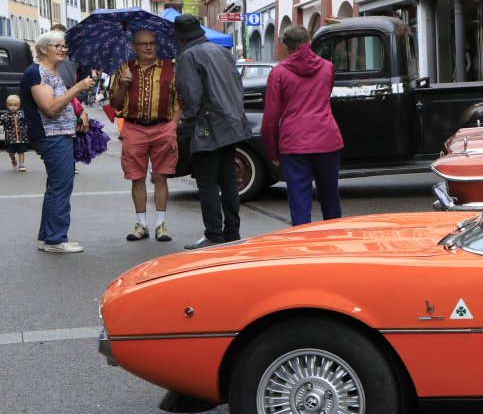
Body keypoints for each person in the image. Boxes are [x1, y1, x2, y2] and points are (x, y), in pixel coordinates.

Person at [173, 14, 250, 249]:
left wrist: (185, 129)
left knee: (207, 183)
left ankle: (214, 235)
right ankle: (232, 232)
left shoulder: (189, 56)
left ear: (181, 37)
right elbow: (238, 89)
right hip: (231, 124)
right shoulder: (223, 52)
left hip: (207, 127)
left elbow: (191, 97)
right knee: (228, 181)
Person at [20, 30, 97, 253]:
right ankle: (55, 240)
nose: (63, 50)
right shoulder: (37, 73)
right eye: (58, 46)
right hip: (52, 136)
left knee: (57, 186)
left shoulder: (50, 72)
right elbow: (50, 108)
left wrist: (79, 114)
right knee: (60, 187)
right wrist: (78, 87)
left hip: (60, 134)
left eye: (64, 46)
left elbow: (62, 103)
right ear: (44, 49)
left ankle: (47, 237)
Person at [261, 24, 343, 226]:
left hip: (294, 142)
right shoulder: (327, 67)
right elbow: (326, 94)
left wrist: (272, 151)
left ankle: (302, 241)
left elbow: (271, 118)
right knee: (330, 197)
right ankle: (335, 238)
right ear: (309, 41)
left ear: (286, 46)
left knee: (299, 202)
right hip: (326, 138)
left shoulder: (279, 72)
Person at [108, 28, 180, 243]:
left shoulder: (170, 68)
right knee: (136, 177)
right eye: (143, 44)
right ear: (134, 47)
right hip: (134, 128)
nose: (149, 47)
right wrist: (123, 85)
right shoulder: (125, 69)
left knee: (160, 176)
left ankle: (161, 224)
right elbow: (115, 104)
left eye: (152, 43)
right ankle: (141, 224)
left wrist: (172, 126)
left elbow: (181, 101)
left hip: (163, 127)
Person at [2, 94, 29, 171]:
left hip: (22, 138)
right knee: (11, 152)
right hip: (10, 139)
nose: (13, 107)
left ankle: (21, 164)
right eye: (10, 105)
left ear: (19, 105)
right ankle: (13, 159)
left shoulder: (22, 115)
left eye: (15, 105)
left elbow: (29, 120)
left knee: (21, 151)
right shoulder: (5, 116)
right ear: (7, 105)